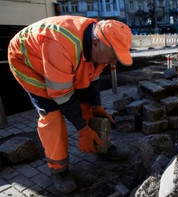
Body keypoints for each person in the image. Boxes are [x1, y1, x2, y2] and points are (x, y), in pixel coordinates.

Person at [7, 15, 132, 194]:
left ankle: (100, 145)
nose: (113, 62)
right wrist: (82, 130)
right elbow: (62, 95)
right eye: (113, 57)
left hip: (59, 58)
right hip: (29, 62)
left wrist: (96, 106)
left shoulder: (100, 43)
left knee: (86, 104)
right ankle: (58, 169)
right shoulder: (61, 45)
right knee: (52, 115)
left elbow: (93, 79)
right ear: (95, 43)